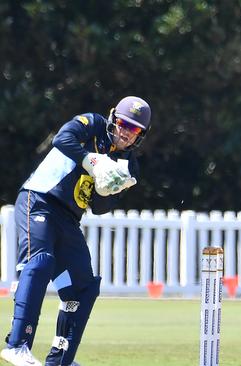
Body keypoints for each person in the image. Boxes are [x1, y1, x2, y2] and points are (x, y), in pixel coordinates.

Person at [1, 96, 152, 366]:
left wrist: (107, 189)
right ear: (113, 118)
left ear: (140, 135)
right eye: (122, 123)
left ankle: (60, 360)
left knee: (83, 287)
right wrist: (92, 161)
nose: (125, 133)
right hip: (39, 200)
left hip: (69, 219)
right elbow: (62, 139)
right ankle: (17, 344)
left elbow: (100, 208)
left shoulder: (129, 165)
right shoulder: (92, 124)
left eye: (134, 129)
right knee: (41, 261)